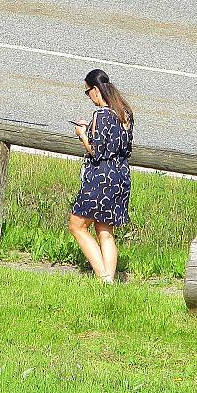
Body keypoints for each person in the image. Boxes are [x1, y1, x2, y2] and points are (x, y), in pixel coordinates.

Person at [69, 69, 134, 283]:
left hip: (101, 176)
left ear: (96, 90)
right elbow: (121, 144)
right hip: (121, 174)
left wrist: (82, 134)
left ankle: (102, 275)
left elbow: (96, 150)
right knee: (105, 230)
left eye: (88, 93)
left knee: (77, 225)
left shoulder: (101, 115)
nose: (89, 97)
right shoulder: (125, 112)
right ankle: (110, 280)